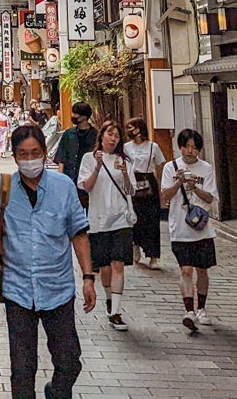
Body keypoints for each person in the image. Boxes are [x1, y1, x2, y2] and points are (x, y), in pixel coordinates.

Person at [0, 124, 96, 399]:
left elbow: (78, 233)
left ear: (44, 153)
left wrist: (88, 278)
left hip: (58, 289)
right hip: (18, 290)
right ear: (15, 156)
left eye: (35, 153)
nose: (29, 159)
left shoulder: (63, 187)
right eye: (23, 154)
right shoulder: (4, 187)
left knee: (69, 361)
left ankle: (56, 391)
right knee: (22, 370)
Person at [77, 121, 135, 331]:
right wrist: (97, 167)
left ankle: (116, 311)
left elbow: (131, 190)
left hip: (121, 219)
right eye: (110, 134)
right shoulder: (89, 158)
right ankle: (110, 299)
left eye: (117, 136)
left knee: (118, 264)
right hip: (99, 220)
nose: (113, 139)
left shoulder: (125, 160)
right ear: (101, 136)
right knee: (104, 268)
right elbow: (86, 187)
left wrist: (126, 173)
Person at [161, 128, 220, 334]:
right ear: (180, 147)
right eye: (186, 146)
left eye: (194, 147)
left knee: (202, 270)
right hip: (179, 228)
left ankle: (201, 308)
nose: (190, 151)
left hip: (202, 230)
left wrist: (194, 187)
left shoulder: (206, 168)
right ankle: (189, 311)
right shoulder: (170, 167)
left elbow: (210, 198)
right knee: (185, 270)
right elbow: (165, 195)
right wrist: (179, 181)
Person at [123, 118, 167, 271]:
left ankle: (153, 256)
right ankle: (136, 245)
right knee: (135, 217)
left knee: (152, 220)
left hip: (149, 181)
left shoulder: (153, 146)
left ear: (139, 128)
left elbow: (160, 166)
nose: (129, 131)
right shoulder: (126, 147)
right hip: (133, 181)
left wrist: (162, 189)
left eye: (131, 127)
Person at [52, 103, 98, 208]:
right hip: (70, 178)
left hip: (87, 179)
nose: (73, 116)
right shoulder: (68, 134)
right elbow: (61, 158)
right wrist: (61, 179)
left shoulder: (95, 135)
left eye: (75, 114)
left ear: (84, 116)